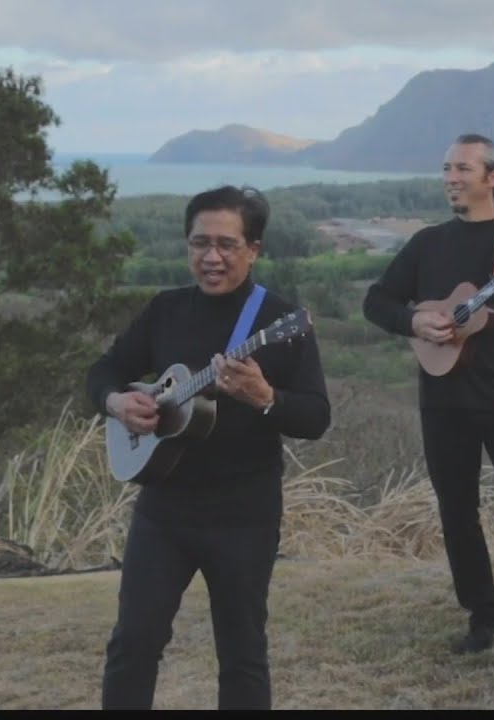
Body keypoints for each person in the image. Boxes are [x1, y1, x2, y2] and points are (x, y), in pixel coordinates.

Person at [87, 185, 332, 709]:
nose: (211, 257)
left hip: (244, 514)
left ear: (255, 249)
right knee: (133, 644)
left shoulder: (281, 323)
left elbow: (315, 417)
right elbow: (103, 371)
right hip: (163, 511)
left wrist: (266, 398)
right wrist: (116, 403)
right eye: (200, 243)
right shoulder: (166, 310)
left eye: (226, 244)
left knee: (242, 655)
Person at [362, 133, 494, 666]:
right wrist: (412, 319)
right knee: (458, 514)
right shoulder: (427, 243)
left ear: (492, 177)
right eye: (446, 169)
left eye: (462, 168)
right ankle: (484, 614)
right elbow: (376, 300)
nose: (450, 178)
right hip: (442, 400)